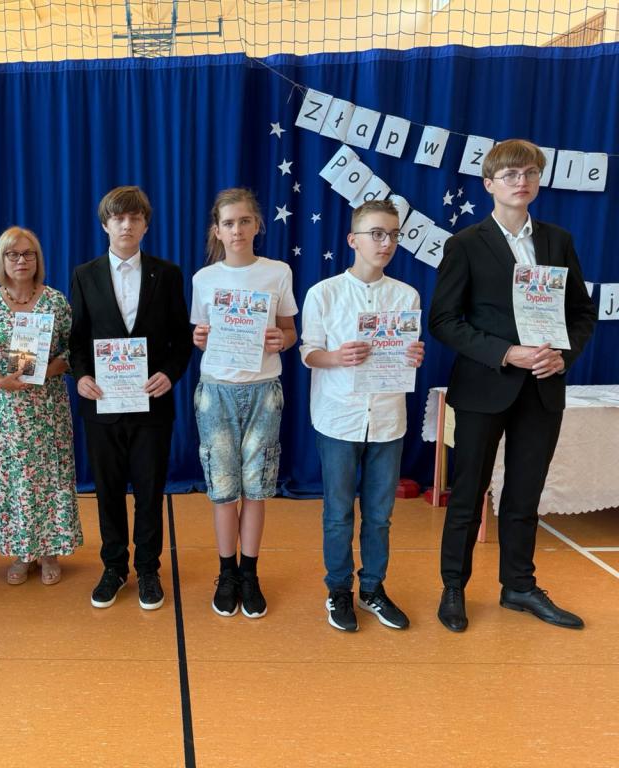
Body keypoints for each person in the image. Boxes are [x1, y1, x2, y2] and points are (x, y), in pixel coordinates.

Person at [429, 139, 596, 632]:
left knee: (524, 495)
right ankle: (453, 587)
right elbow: (443, 321)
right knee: (467, 494)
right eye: (510, 175)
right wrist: (505, 352)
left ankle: (519, 586)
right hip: (484, 386)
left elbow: (581, 313)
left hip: (542, 388)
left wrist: (563, 356)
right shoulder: (465, 243)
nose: (521, 182)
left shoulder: (558, 241)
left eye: (529, 174)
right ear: (489, 184)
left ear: (539, 181)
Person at [300, 199, 425, 632]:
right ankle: (338, 590)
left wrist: (413, 356)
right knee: (338, 513)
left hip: (387, 418)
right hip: (339, 417)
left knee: (379, 514)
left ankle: (372, 588)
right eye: (376, 233)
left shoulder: (406, 295)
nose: (385, 242)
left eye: (393, 235)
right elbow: (308, 353)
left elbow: (404, 355)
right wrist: (336, 357)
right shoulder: (324, 292)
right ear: (353, 240)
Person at [70, 186, 193, 610]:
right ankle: (113, 567)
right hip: (102, 404)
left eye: (134, 218)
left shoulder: (168, 274)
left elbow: (181, 341)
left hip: (151, 405)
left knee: (149, 490)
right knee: (106, 491)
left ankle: (148, 569)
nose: (126, 225)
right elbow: (77, 340)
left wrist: (169, 375)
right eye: (118, 218)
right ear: (105, 225)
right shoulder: (84, 275)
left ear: (145, 225)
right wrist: (81, 376)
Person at [191, 188, 298, 619]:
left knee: (256, 488)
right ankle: (227, 572)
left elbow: (289, 331)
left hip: (262, 390)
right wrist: (199, 338)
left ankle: (250, 573)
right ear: (217, 231)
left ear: (257, 225)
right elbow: (202, 335)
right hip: (216, 391)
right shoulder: (204, 279)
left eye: (244, 221)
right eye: (228, 223)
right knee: (223, 490)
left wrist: (281, 339)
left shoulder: (277, 272)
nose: (237, 230)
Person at [0, 227, 82, 586]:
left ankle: (49, 551)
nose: (21, 260)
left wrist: (47, 370)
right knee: (15, 481)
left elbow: (74, 350)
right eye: (13, 254)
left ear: (38, 259)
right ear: (1, 260)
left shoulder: (55, 302)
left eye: (28, 253)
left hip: (47, 409)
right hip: (5, 411)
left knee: (48, 479)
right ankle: (22, 551)